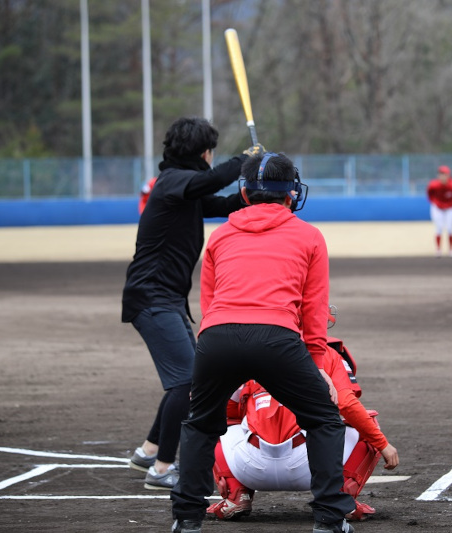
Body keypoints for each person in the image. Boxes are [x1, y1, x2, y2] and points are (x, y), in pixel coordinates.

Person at [170, 152, 357, 533]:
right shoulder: (309, 235)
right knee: (323, 420)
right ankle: (329, 519)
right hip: (277, 337)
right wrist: (317, 364)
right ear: (291, 194)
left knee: (200, 425)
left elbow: (208, 303)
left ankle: (186, 519)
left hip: (218, 336)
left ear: (243, 192)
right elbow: (313, 310)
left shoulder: (220, 236)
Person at [122, 116, 264, 491]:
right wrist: (244, 161)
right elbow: (212, 181)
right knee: (186, 383)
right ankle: (162, 470)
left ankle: (148, 453)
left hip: (162, 298)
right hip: (153, 298)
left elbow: (221, 202)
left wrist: (257, 195)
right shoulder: (173, 183)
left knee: (188, 380)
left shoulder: (181, 190)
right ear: (203, 152)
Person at [205, 314, 399, 523]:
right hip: (311, 465)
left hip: (250, 467)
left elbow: (225, 410)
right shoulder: (327, 353)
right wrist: (383, 444)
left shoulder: (246, 351)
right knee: (366, 421)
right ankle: (342, 500)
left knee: (215, 422)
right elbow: (347, 405)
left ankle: (235, 495)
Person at [426, 165, 452, 257]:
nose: (442, 176)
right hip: (438, 208)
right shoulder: (433, 185)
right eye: (441, 174)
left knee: (450, 229)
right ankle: (438, 250)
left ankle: (451, 250)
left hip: (450, 208)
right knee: (438, 228)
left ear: (448, 175)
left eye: (444, 174)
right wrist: (434, 202)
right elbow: (429, 195)